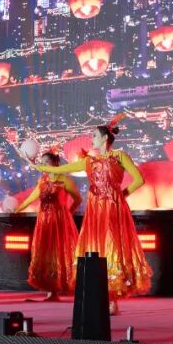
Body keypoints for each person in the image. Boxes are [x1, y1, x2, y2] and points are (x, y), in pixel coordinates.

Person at [33, 115, 151, 316]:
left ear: (105, 138)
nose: (91, 139)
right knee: (96, 248)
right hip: (95, 211)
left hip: (113, 208)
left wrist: (121, 195)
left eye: (94, 136)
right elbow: (62, 169)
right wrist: (39, 166)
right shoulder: (89, 161)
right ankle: (102, 297)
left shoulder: (119, 156)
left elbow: (139, 179)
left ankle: (112, 299)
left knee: (112, 248)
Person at [13, 149, 81, 300]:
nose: (43, 165)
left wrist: (68, 213)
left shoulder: (65, 180)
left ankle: (60, 288)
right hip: (44, 220)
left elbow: (78, 199)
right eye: (42, 163)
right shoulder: (42, 181)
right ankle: (51, 290)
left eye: (46, 162)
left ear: (55, 162)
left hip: (59, 221)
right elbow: (31, 198)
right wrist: (17, 209)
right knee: (46, 252)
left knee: (59, 252)